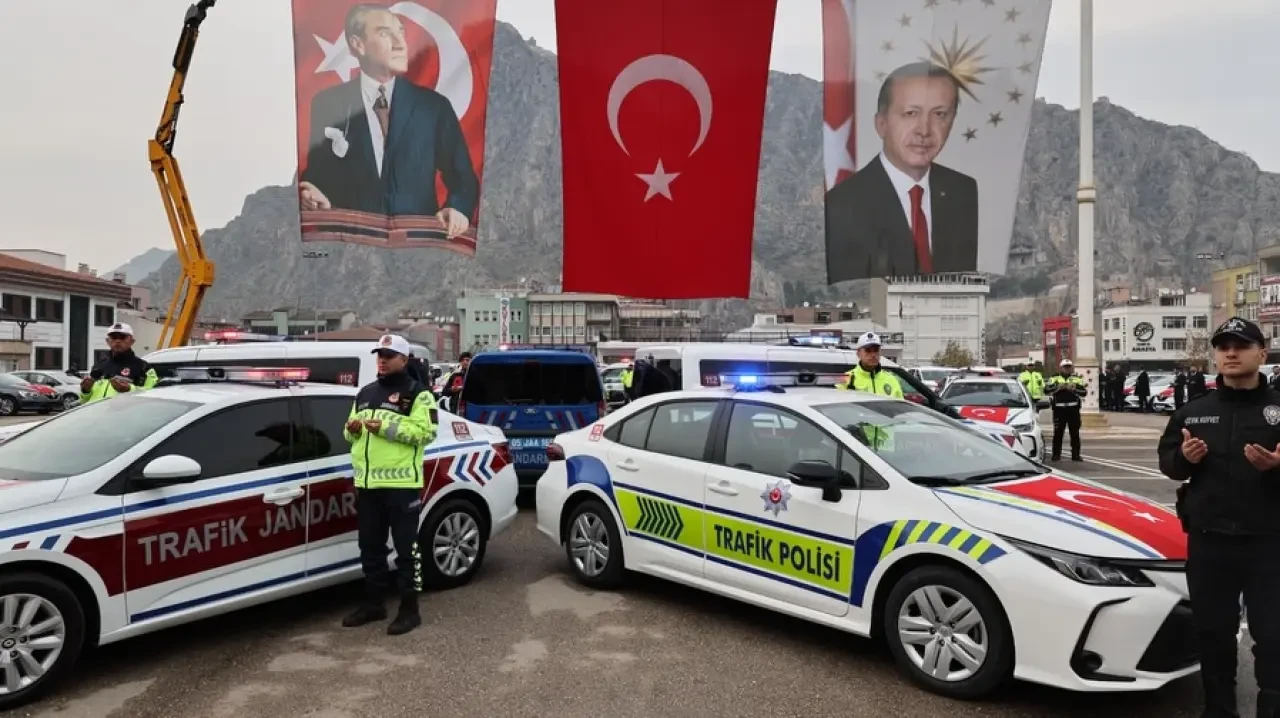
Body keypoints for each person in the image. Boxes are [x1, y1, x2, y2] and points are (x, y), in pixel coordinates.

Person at [1157, 316, 1280, 718]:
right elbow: (1169, 463)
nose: (1230, 353)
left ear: (1261, 354)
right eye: (1224, 346)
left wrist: (1276, 467)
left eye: (1241, 346)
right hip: (1211, 544)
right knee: (1213, 636)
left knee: (1274, 638)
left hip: (1270, 544)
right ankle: (1219, 711)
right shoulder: (1194, 412)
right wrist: (1183, 459)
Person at [299, 3, 478, 238]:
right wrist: (311, 191)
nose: (400, 43)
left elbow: (463, 177)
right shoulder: (327, 103)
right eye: (385, 33)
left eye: (401, 32)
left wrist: (457, 208)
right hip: (350, 247)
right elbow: (318, 173)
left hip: (419, 247)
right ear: (358, 44)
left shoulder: (434, 108)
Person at [824, 61, 979, 282]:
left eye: (940, 115)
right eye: (910, 113)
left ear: (952, 122)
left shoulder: (962, 190)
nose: (924, 130)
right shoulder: (843, 204)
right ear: (881, 124)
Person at [341, 334, 437, 635]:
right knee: (370, 547)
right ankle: (374, 604)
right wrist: (352, 429)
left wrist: (384, 426)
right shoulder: (366, 392)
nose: (382, 360)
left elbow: (426, 432)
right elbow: (349, 435)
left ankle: (410, 610)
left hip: (402, 485)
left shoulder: (418, 394)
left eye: (389, 355)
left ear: (404, 360)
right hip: (368, 485)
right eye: (379, 355)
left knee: (407, 550)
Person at [79, 323, 158, 404]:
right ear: (107, 341)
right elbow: (85, 400)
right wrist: (85, 391)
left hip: (124, 415)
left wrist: (130, 389)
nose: (117, 341)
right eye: (114, 337)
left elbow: (154, 396)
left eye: (122, 337)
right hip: (95, 415)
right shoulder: (98, 366)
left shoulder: (143, 367)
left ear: (132, 341)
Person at [835, 332, 903, 397]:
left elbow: (900, 407)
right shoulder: (846, 380)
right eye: (868, 350)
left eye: (876, 350)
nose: (873, 355)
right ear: (858, 354)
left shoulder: (891, 380)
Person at [1046, 358, 1086, 461]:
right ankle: (1056, 455)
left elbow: (1084, 392)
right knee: (1058, 433)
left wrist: (1074, 389)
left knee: (1075, 433)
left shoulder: (1076, 378)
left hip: (1073, 409)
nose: (1067, 369)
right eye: (1065, 367)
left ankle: (1076, 455)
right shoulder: (1054, 378)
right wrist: (1058, 388)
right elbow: (1046, 390)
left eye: (1069, 367)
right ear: (1061, 368)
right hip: (1059, 409)